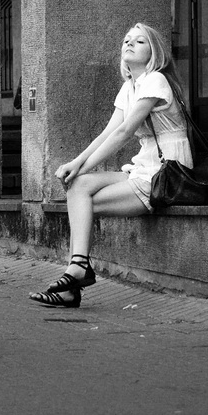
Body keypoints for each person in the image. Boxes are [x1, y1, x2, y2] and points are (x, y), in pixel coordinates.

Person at [30, 23, 192, 308]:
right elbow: (107, 132)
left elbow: (124, 133)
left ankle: (75, 275)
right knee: (79, 186)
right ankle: (77, 270)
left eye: (139, 41)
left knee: (81, 204)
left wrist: (80, 166)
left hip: (168, 173)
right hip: (145, 167)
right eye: (127, 40)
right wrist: (76, 164)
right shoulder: (130, 86)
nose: (129, 44)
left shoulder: (156, 80)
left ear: (154, 52)